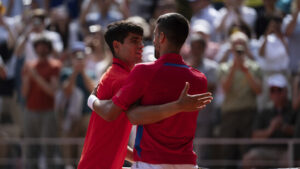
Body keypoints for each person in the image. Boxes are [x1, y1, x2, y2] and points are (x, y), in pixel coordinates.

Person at [86, 13, 212, 169]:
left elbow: (132, 115)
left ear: (161, 37)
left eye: (154, 35)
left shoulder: (143, 72)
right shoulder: (200, 79)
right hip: (187, 164)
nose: (150, 42)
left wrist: (91, 99)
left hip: (151, 163)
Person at [22, 35, 61, 169]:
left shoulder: (55, 65)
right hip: (30, 111)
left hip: (47, 112)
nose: (42, 48)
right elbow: (24, 92)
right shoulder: (29, 66)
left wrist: (35, 76)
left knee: (48, 147)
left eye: (44, 46)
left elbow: (52, 91)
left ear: (49, 48)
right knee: (30, 147)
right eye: (39, 46)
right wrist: (29, 76)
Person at [242, 74, 296, 169]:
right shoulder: (265, 111)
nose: (276, 93)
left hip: (286, 150)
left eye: (279, 90)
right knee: (249, 158)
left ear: (286, 91)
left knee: (290, 160)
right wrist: (270, 129)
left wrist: (284, 127)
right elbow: (255, 136)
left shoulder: (294, 109)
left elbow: (297, 132)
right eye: (272, 90)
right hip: (266, 150)